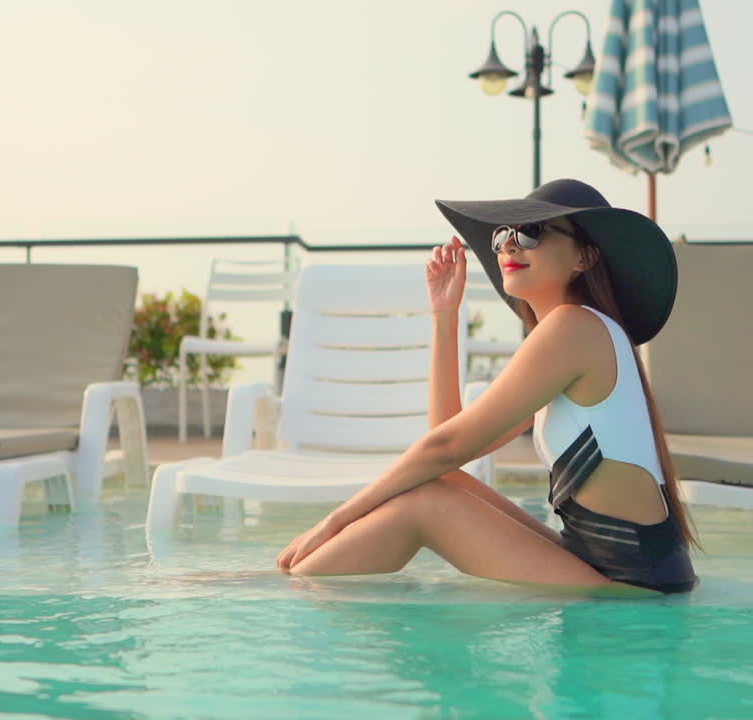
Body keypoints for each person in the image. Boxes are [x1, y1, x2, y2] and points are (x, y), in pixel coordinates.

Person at [275, 179, 698, 594]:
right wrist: (445, 316)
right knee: (434, 487)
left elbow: (445, 448)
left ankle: (291, 598)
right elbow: (447, 456)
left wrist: (331, 523)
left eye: (531, 232)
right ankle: (295, 586)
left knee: (426, 504)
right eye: (502, 235)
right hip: (610, 568)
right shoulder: (575, 333)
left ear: (584, 257)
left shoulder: (575, 327)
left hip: (633, 587)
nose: (509, 246)